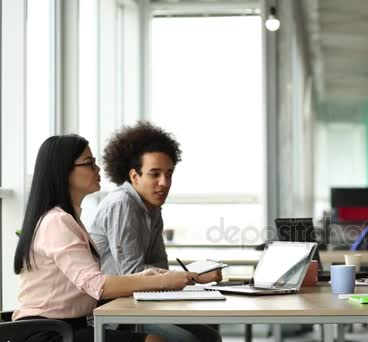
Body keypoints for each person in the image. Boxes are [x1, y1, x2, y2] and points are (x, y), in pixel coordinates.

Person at [13, 135, 199, 342]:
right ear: (64, 171)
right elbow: (98, 285)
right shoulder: (57, 221)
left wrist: (147, 276)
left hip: (68, 326)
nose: (98, 169)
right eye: (89, 163)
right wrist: (163, 281)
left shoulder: (68, 219)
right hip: (50, 332)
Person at [88, 122, 221, 342]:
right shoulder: (122, 204)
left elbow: (160, 269)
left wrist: (190, 276)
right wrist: (194, 277)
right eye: (154, 174)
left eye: (169, 174)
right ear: (134, 176)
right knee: (188, 340)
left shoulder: (152, 208)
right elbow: (130, 272)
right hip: (114, 312)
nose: (164, 183)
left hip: (142, 303)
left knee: (209, 337)